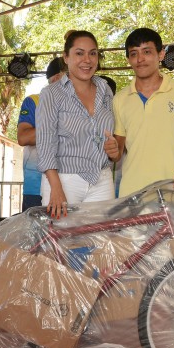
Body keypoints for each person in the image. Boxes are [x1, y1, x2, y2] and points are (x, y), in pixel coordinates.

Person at [110, 28, 174, 197]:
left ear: (160, 55)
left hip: (172, 192)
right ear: (128, 59)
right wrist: (111, 151)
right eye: (133, 54)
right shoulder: (120, 99)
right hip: (132, 195)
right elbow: (118, 153)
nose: (140, 59)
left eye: (147, 52)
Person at [36, 30, 117, 218]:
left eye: (93, 53)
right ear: (66, 57)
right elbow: (46, 144)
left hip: (102, 178)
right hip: (64, 179)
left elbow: (108, 137)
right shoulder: (51, 93)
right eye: (79, 53)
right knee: (61, 243)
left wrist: (113, 150)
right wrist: (55, 187)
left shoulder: (106, 91)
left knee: (101, 243)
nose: (87, 60)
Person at [17, 57, 65, 211]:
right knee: (37, 234)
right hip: (36, 186)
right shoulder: (34, 101)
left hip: (71, 183)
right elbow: (23, 137)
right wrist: (59, 125)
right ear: (57, 77)